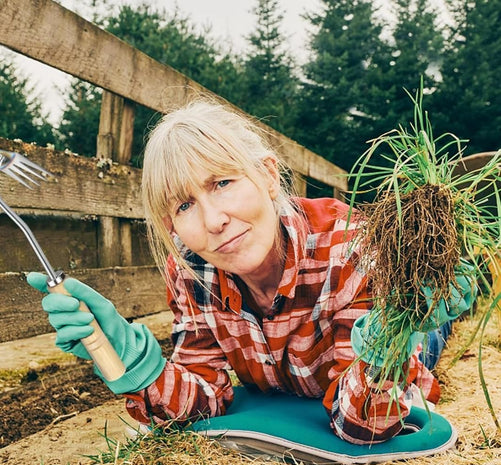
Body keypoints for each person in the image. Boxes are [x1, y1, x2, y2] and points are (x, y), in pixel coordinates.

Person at [27, 100, 473, 445]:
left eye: (222, 183)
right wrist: (138, 367)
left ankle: (440, 318)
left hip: (371, 352)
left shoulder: (350, 245)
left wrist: (389, 338)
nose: (213, 220)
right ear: (172, 226)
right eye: (184, 206)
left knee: (428, 334)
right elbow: (205, 400)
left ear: (268, 177)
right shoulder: (191, 269)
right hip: (301, 377)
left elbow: (361, 426)